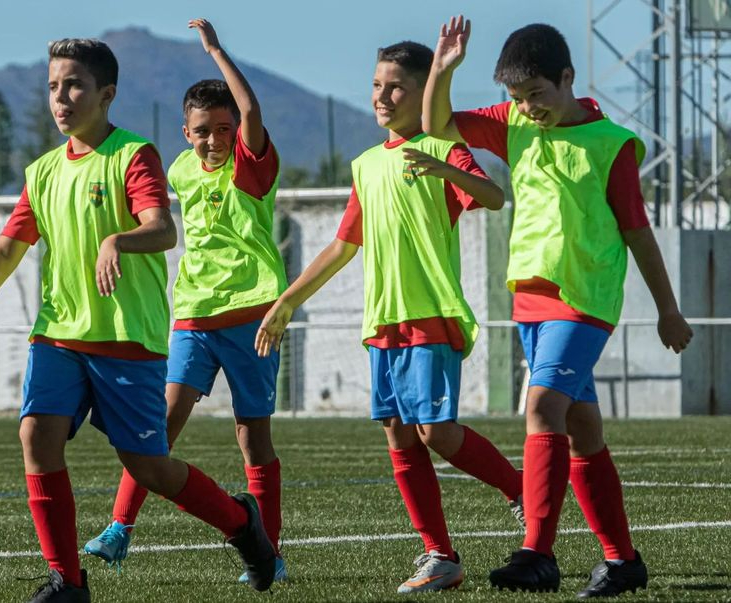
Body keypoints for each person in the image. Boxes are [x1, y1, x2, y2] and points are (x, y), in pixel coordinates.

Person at [0, 37, 276, 602]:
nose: (61, 97)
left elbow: (163, 229)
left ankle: (243, 524)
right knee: (35, 435)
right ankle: (67, 582)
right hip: (59, 333)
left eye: (73, 85)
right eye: (52, 86)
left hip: (127, 339)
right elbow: (6, 248)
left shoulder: (132, 154)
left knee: (150, 468)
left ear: (106, 94)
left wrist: (118, 240)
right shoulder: (44, 170)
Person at [422, 16, 693, 598]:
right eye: (516, 98)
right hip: (530, 303)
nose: (527, 108)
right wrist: (442, 70)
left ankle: (536, 553)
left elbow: (639, 232)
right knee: (581, 428)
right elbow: (437, 125)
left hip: (584, 301)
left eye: (537, 95)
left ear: (568, 78)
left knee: (542, 408)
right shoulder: (514, 122)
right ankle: (623, 561)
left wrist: (668, 308)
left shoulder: (610, 144)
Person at [255, 40, 524, 595]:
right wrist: (286, 301)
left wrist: (443, 166)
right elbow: (340, 245)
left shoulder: (444, 147)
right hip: (383, 322)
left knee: (437, 433)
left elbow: (494, 198)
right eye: (377, 85)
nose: (382, 95)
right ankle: (439, 556)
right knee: (400, 437)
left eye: (395, 86)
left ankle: (522, 490)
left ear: (423, 92)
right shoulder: (367, 164)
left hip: (431, 312)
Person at [84, 18, 289, 584]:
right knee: (158, 426)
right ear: (186, 132)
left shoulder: (252, 165)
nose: (214, 140)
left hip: (253, 316)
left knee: (253, 434)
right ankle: (120, 528)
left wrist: (217, 51)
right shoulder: (178, 169)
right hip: (194, 314)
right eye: (202, 131)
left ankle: (267, 550)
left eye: (223, 129)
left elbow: (250, 114)